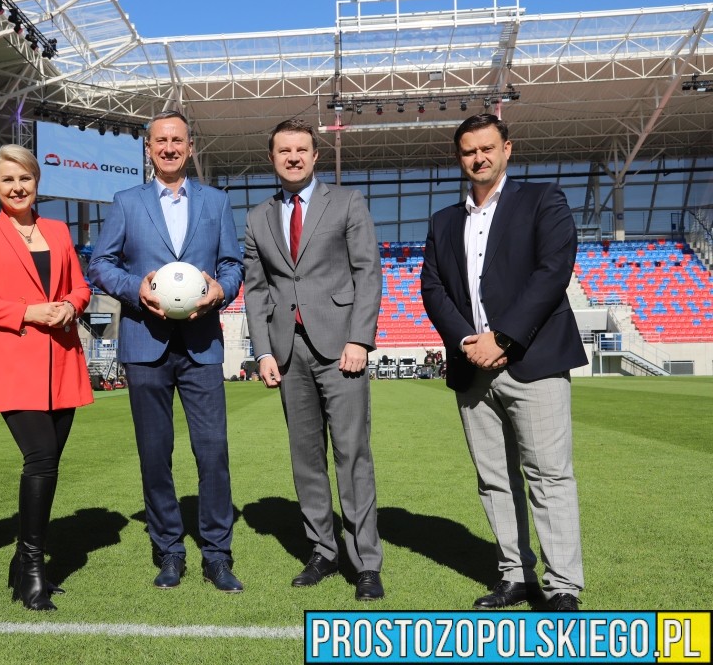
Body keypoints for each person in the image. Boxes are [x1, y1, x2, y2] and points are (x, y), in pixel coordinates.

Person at [420, 113, 588, 612]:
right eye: (469, 151)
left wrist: (504, 337)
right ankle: (515, 576)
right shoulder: (444, 221)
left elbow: (553, 271)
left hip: (533, 362)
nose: (479, 158)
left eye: (487, 148)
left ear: (507, 149)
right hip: (472, 367)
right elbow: (432, 288)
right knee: (493, 479)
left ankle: (563, 586)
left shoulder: (542, 200)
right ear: (459, 157)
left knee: (549, 476)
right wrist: (468, 341)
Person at [88, 110, 245, 593]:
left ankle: (217, 554)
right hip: (145, 344)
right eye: (161, 141)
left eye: (178, 140)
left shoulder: (216, 201)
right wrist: (137, 289)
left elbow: (233, 264)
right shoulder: (127, 202)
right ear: (149, 148)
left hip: (201, 345)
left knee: (212, 452)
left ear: (190, 147)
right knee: (155, 454)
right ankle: (170, 550)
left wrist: (220, 290)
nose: (170, 148)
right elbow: (101, 264)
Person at [243, 118, 386, 601]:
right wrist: (263, 350)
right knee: (306, 458)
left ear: (315, 155)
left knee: (351, 454)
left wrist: (360, 340)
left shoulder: (347, 202)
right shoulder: (257, 218)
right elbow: (257, 290)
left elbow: (368, 272)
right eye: (284, 150)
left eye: (301, 149)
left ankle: (365, 562)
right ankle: (323, 551)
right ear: (272, 158)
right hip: (288, 353)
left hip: (341, 348)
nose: (293, 157)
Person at [0, 144, 94, 611]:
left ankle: (21, 563)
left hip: (63, 361)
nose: (17, 188)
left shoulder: (57, 230)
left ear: (37, 182)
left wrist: (71, 304)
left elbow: (81, 286)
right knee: (41, 459)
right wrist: (27, 312)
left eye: (25, 179)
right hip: (13, 363)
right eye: (7, 180)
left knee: (49, 462)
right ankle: (33, 569)